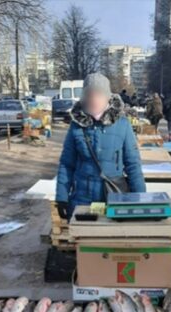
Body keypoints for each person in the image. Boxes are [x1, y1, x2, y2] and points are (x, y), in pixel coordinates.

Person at [55, 73, 146, 219]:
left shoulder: (122, 124)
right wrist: (62, 197)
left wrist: (141, 199)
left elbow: (133, 165)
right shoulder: (76, 126)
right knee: (85, 241)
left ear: (108, 97)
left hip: (114, 199)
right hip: (83, 201)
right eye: (89, 94)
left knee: (110, 240)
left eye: (99, 94)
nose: (94, 99)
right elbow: (67, 164)